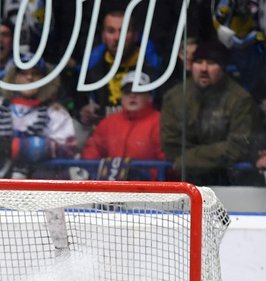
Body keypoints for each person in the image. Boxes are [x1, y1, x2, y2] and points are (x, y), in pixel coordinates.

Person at [160, 39, 263, 185]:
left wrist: (190, 159)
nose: (204, 68)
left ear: (222, 68)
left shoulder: (240, 100)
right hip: (187, 181)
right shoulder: (174, 97)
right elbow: (171, 146)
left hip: (231, 180)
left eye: (211, 63)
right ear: (191, 65)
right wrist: (202, 158)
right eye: (199, 61)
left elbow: (238, 147)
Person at [0, 54, 77, 179]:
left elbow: (69, 149)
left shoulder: (56, 113)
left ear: (44, 79)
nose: (29, 77)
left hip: (40, 187)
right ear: (14, 78)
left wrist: (24, 147)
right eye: (23, 73)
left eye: (35, 73)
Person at [79, 70, 166, 181]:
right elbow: (92, 152)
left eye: (138, 91)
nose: (132, 96)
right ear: (122, 97)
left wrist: (145, 177)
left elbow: (167, 161)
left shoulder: (160, 122)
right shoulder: (108, 122)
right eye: (127, 92)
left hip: (149, 191)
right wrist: (97, 174)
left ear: (150, 97)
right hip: (111, 190)